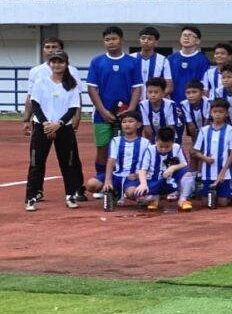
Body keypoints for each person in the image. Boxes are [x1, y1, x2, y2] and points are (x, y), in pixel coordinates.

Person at [86, 26, 144, 198]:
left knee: (127, 147)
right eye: (107, 40)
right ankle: (104, 181)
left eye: (114, 39)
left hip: (126, 115)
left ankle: (128, 182)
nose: (111, 42)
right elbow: (92, 89)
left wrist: (130, 113)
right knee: (103, 148)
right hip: (102, 116)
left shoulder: (132, 62)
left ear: (122, 40)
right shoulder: (97, 62)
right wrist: (103, 111)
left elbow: (136, 89)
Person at [24, 51, 85, 211]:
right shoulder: (40, 82)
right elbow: (35, 104)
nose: (56, 65)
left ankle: (70, 195)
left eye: (60, 62)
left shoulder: (71, 85)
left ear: (66, 64)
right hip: (42, 127)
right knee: (36, 163)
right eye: (54, 62)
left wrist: (58, 123)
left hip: (63, 128)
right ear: (50, 64)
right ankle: (31, 197)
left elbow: (73, 108)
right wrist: (45, 124)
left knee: (68, 163)